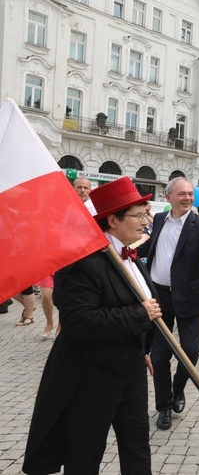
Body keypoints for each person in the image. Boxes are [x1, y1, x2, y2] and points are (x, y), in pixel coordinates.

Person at [23, 177, 160, 475]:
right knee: (85, 453)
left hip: (132, 369)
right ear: (113, 220)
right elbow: (77, 320)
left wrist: (144, 348)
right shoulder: (84, 261)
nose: (145, 221)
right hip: (93, 374)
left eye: (145, 213)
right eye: (138, 215)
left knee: (137, 447)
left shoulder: (131, 255)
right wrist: (139, 314)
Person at [136, 177, 199, 431]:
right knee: (159, 356)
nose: (188, 198)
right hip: (159, 297)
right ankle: (164, 407)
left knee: (191, 350)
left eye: (190, 194)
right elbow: (151, 248)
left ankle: (178, 389)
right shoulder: (158, 220)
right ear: (168, 197)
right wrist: (128, 249)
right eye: (182, 194)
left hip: (188, 296)